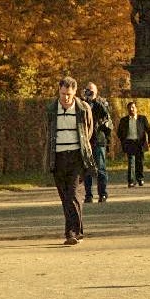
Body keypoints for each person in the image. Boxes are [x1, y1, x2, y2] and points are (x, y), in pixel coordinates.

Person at [44, 77, 95, 245]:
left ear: (75, 92)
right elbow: (47, 132)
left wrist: (82, 147)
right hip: (57, 157)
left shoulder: (83, 108)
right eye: (63, 94)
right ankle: (76, 231)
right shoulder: (51, 109)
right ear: (59, 91)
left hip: (76, 156)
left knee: (73, 194)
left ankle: (71, 232)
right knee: (65, 196)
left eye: (69, 94)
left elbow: (89, 129)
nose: (66, 98)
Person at [82, 82, 112, 203]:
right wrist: (85, 99)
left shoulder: (102, 102)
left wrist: (94, 100)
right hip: (86, 141)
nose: (89, 93)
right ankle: (88, 194)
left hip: (99, 139)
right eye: (87, 90)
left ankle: (103, 193)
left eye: (92, 91)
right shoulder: (82, 103)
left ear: (96, 92)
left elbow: (105, 112)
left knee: (101, 168)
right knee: (87, 169)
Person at [117, 101, 150, 188]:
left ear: (136, 109)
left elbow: (149, 131)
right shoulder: (124, 120)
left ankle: (140, 178)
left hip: (139, 143)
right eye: (129, 108)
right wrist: (123, 141)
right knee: (131, 162)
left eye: (133, 107)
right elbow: (119, 132)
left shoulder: (142, 119)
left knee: (139, 161)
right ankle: (131, 181)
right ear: (127, 110)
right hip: (129, 143)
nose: (131, 109)